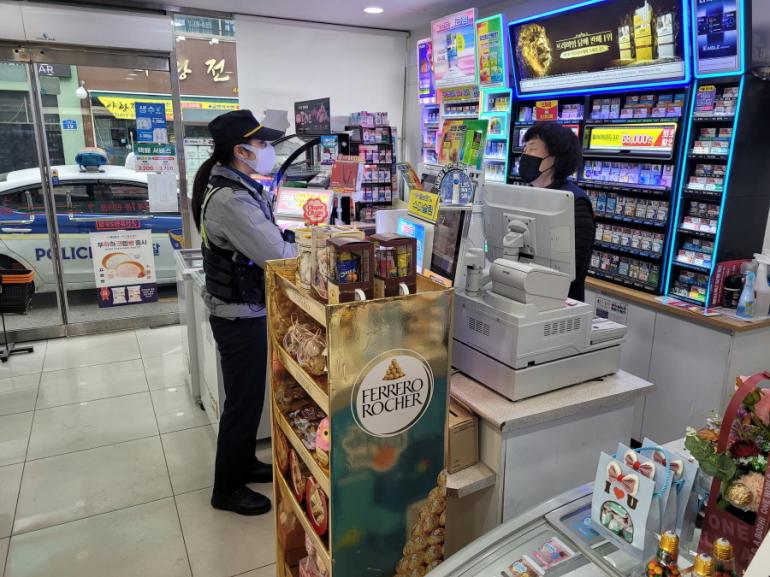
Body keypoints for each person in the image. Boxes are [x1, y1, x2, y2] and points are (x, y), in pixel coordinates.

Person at [191, 109, 295, 516]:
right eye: (261, 143)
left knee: (249, 398)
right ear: (241, 151)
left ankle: (244, 463)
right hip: (239, 316)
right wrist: (311, 245)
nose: (267, 150)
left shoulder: (239, 188)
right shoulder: (232, 200)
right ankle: (227, 488)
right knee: (243, 402)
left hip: (243, 310)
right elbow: (277, 255)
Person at [519, 122, 596, 301]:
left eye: (532, 149)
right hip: (523, 293)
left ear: (555, 158)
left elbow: (572, 270)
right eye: (524, 149)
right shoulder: (525, 196)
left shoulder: (576, 203)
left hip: (557, 303)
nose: (524, 155)